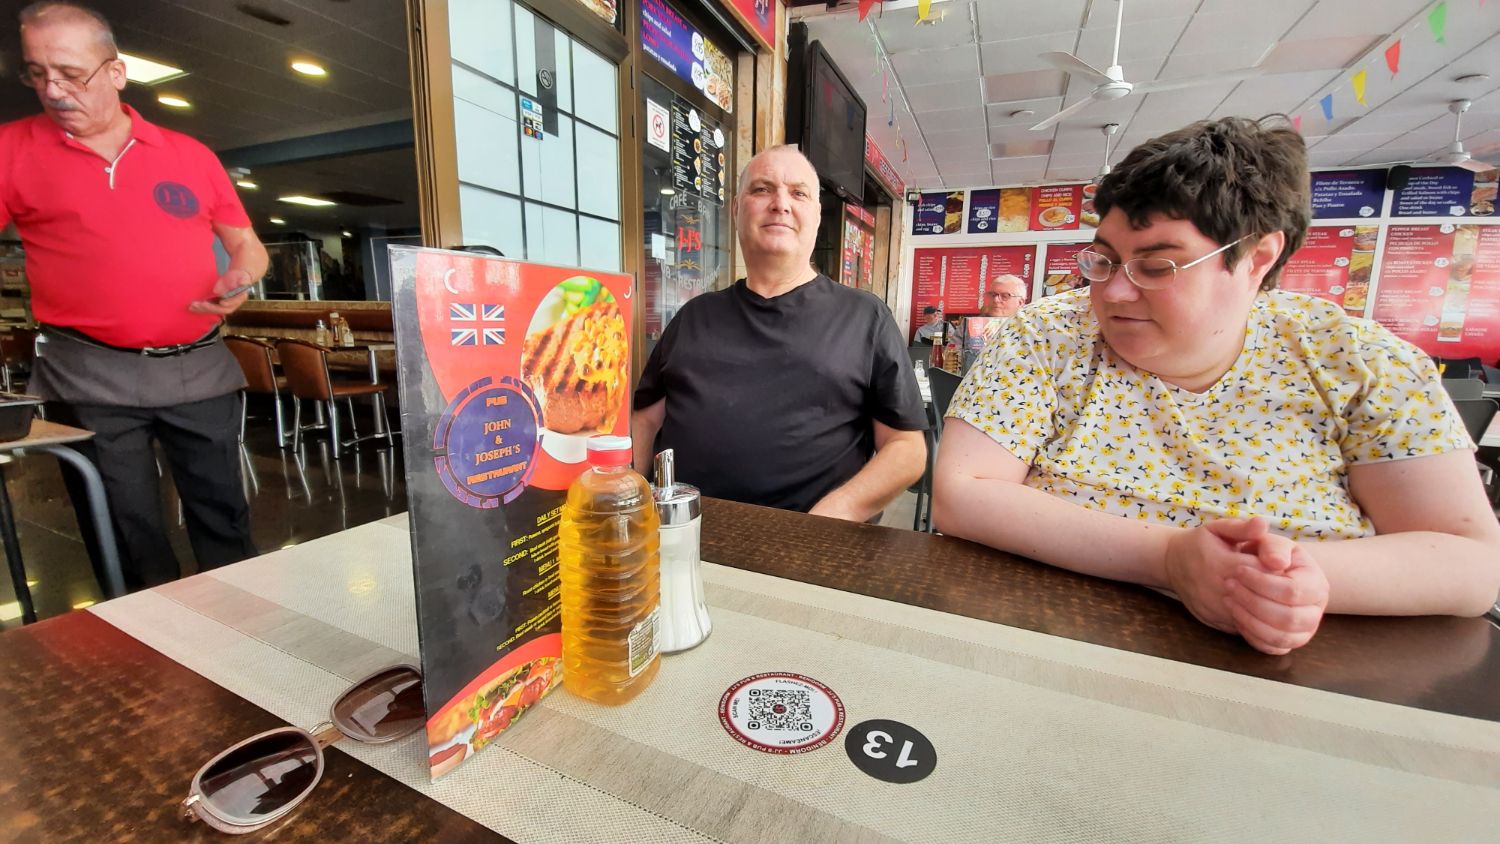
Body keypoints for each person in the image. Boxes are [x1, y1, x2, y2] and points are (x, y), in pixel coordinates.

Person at [933, 116, 1500, 655]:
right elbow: (962, 494)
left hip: (1305, 661)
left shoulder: (1359, 363)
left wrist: (1276, 581)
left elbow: (1471, 563)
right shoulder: (1047, 334)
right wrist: (1171, 559)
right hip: (1049, 630)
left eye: (1157, 267)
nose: (1114, 293)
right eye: (1104, 261)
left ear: (1257, 258)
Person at [1, 2, 267, 591]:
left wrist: (242, 275)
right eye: (37, 73)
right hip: (88, 374)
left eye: (71, 74)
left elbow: (247, 244)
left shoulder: (188, 154)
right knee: (126, 530)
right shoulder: (10, 149)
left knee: (223, 515)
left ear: (117, 72)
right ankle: (144, 634)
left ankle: (244, 621)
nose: (53, 90)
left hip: (198, 367)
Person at [632, 145, 926, 521]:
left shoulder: (866, 318)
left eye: (798, 193)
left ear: (816, 215)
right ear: (736, 210)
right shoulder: (693, 316)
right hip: (684, 535)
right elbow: (645, 420)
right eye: (762, 189)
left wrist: (833, 514)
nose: (780, 204)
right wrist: (627, 500)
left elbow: (907, 448)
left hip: (813, 543)